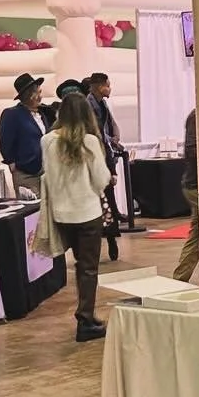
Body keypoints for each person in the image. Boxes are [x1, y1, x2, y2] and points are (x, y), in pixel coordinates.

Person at [41, 93, 112, 342]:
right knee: (88, 268)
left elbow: (48, 178)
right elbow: (101, 179)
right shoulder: (89, 141)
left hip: (62, 214)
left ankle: (86, 315)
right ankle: (85, 319)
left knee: (80, 266)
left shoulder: (47, 141)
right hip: (88, 213)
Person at [86, 72, 124, 261]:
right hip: (94, 161)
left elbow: (107, 130)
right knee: (97, 205)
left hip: (105, 158)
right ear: (100, 86)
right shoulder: (88, 107)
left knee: (108, 202)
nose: (110, 88)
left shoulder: (102, 105)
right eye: (108, 85)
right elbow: (97, 136)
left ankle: (111, 238)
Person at [0, 73, 50, 198]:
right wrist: (11, 163)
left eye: (40, 92)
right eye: (37, 93)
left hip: (47, 171)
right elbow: (5, 141)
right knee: (31, 207)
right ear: (28, 95)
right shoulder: (12, 114)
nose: (40, 97)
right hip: (26, 171)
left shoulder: (43, 113)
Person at [172, 109, 199, 282]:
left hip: (195, 184)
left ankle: (180, 278)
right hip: (195, 185)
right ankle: (179, 278)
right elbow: (192, 151)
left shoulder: (196, 115)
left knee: (198, 234)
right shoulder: (196, 117)